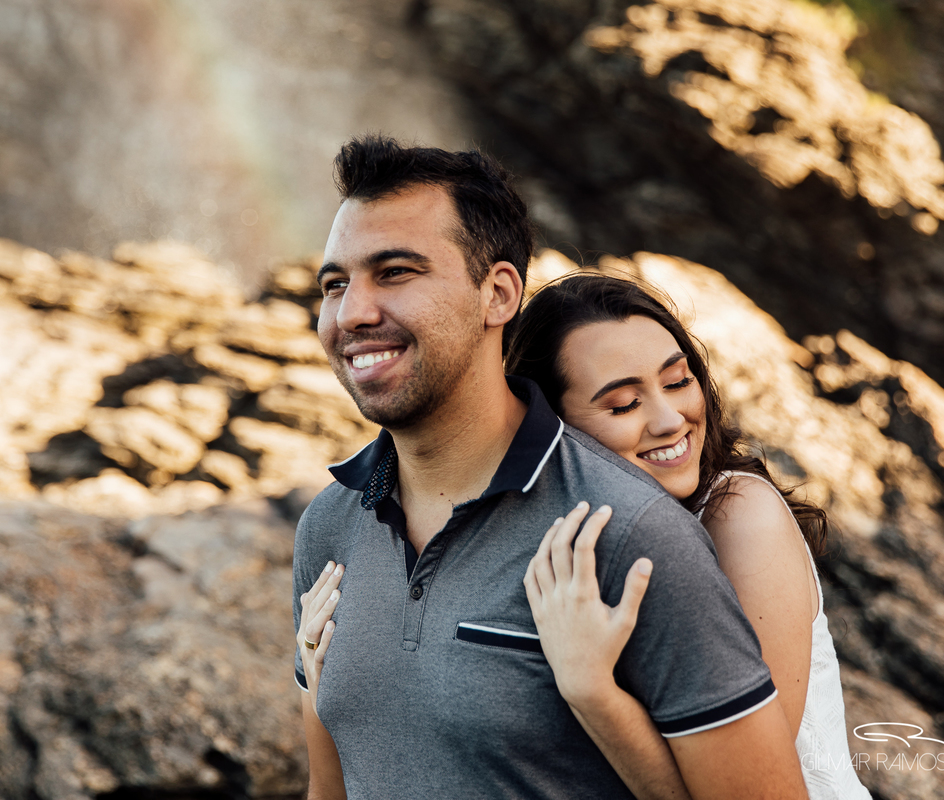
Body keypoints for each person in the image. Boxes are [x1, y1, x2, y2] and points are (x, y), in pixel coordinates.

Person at [292, 134, 808, 799]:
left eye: (395, 272)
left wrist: (593, 691)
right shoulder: (328, 528)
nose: (352, 314)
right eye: (335, 285)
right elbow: (330, 787)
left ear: (498, 294)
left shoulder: (632, 534)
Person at [503, 273, 870, 799]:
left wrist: (592, 689)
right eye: (624, 404)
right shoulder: (557, 542)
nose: (670, 419)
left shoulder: (738, 515)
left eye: (677, 382)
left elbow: (753, 785)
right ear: (552, 424)